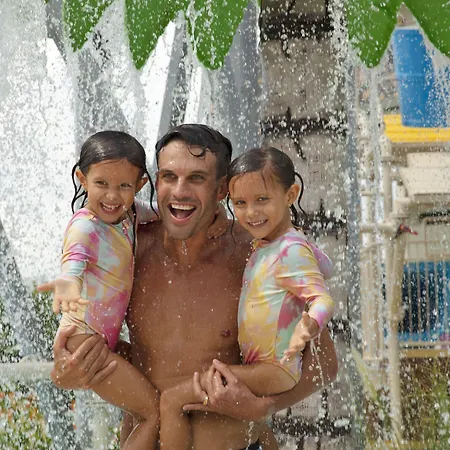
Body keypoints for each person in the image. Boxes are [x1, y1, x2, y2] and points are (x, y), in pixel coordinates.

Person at [45, 124, 339, 450]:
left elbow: (324, 363)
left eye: (197, 178)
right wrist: (65, 372)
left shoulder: (257, 253)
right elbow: (104, 343)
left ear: (221, 189)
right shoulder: (128, 248)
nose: (180, 191)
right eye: (169, 177)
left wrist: (263, 407)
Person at [40, 130, 227, 450]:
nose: (112, 196)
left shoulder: (131, 216)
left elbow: (169, 209)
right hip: (85, 343)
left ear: (139, 185)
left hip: (105, 342)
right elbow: (73, 261)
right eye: (101, 184)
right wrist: (68, 285)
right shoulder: (86, 226)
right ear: (82, 179)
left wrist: (217, 212)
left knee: (152, 410)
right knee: (152, 413)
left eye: (123, 186)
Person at [158, 146, 335, 450]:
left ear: (291, 195)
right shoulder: (259, 245)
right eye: (240, 202)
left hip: (268, 383)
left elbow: (326, 356)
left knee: (173, 400)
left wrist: (261, 408)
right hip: (258, 384)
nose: (251, 213)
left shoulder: (285, 251)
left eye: (262, 200)